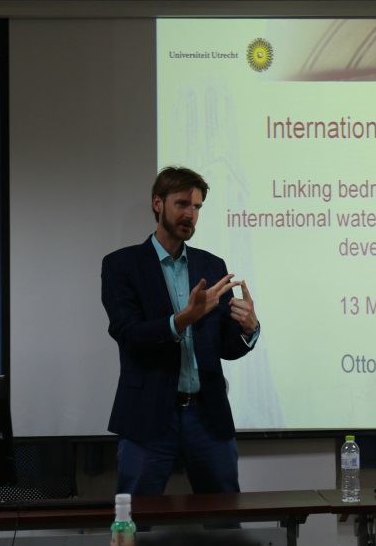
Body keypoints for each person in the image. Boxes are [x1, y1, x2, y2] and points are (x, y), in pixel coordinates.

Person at [101, 166, 259, 496]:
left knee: (224, 517)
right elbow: (129, 335)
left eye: (197, 206)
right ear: (158, 203)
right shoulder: (121, 265)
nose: (190, 214)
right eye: (182, 204)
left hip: (207, 415)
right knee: (138, 518)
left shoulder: (212, 265)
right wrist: (183, 319)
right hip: (148, 415)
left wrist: (248, 329)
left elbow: (225, 346)